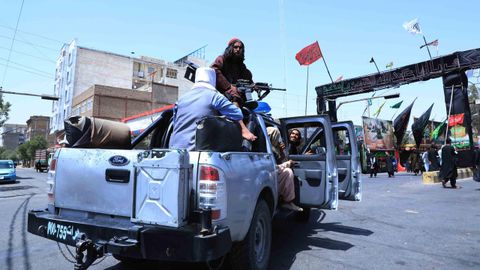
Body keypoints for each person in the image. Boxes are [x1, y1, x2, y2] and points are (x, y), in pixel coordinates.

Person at [169, 67, 256, 150]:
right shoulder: (214, 96)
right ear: (213, 79)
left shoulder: (181, 99)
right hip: (198, 152)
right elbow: (237, 114)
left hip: (174, 152)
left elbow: (175, 122)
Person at [266, 127, 303, 212]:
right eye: (293, 133)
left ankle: (288, 202)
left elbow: (280, 160)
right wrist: (287, 163)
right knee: (288, 172)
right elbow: (273, 167)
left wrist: (281, 151)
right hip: (269, 175)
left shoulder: (276, 147)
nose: (294, 136)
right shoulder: (264, 148)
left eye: (297, 134)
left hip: (275, 174)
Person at [211, 38, 253, 107]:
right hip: (222, 93)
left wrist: (254, 86)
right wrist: (228, 86)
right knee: (235, 103)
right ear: (230, 48)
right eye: (235, 47)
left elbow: (247, 79)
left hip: (238, 95)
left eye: (240, 48)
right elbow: (214, 70)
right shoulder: (222, 59)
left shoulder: (241, 66)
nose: (238, 49)